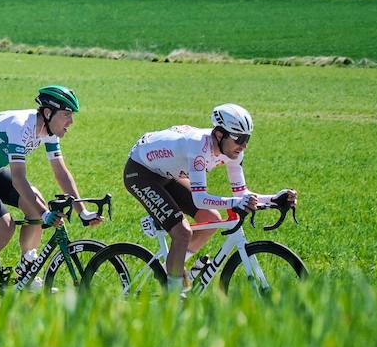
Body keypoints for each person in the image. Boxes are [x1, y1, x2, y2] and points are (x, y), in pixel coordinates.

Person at [124, 103, 296, 291]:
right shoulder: (198, 147)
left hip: (167, 172)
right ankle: (172, 299)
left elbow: (241, 193)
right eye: (239, 138)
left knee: (211, 220)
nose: (244, 145)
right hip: (141, 172)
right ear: (219, 135)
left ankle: (170, 270)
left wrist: (275, 199)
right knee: (182, 233)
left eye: (247, 138)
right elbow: (200, 199)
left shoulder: (234, 152)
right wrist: (237, 203)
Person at [0, 86, 97, 299]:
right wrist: (45, 214)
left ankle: (26, 270)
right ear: (48, 113)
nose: (71, 122)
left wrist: (82, 210)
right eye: (66, 115)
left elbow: (61, 173)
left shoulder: (49, 131)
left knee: (35, 200)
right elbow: (18, 178)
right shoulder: (20, 126)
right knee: (4, 227)